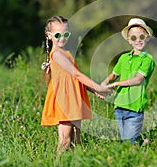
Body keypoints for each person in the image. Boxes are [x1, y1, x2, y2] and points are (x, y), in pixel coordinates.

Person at [41, 15, 111, 153]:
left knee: (76, 140)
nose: (62, 38)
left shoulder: (66, 53)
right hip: (64, 100)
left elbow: (76, 79)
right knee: (65, 140)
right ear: (49, 36)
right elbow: (77, 74)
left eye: (66, 34)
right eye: (57, 34)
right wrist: (99, 87)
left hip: (74, 98)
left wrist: (93, 90)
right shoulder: (57, 55)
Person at [101, 18, 155, 144]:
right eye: (134, 38)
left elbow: (138, 79)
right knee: (124, 141)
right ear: (129, 40)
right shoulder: (124, 58)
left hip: (135, 108)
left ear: (147, 38)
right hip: (120, 105)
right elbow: (114, 74)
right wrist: (102, 85)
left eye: (142, 36)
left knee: (128, 142)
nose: (138, 40)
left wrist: (116, 84)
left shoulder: (147, 59)